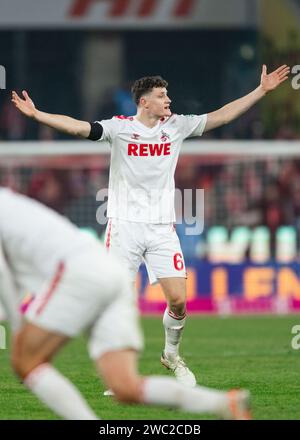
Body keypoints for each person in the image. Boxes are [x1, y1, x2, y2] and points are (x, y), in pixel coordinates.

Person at [11, 64, 290, 387]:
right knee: (119, 303)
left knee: (179, 301)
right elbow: (78, 128)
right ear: (144, 102)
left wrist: (260, 91)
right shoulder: (119, 129)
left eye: (167, 94)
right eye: (161, 95)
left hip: (161, 228)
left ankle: (171, 354)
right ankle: (120, 378)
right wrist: (38, 115)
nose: (168, 99)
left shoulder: (176, 126)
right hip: (124, 227)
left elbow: (222, 116)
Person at [0, 187, 251, 420]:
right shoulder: (12, 204)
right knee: (125, 387)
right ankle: (224, 404)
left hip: (78, 274)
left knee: (25, 361)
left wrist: (17, 326)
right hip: (109, 273)